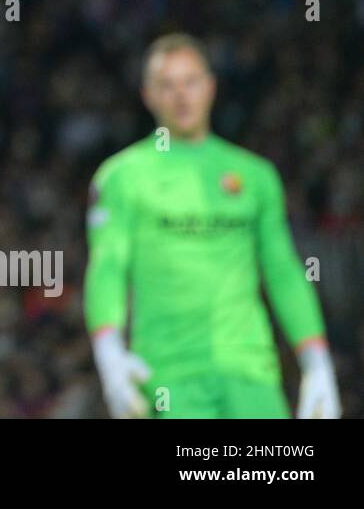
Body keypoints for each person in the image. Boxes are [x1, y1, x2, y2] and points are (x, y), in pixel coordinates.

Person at [85, 33, 341, 419]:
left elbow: (283, 270)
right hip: (167, 376)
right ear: (147, 95)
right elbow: (108, 265)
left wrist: (317, 363)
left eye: (190, 81)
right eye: (167, 85)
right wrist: (109, 356)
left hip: (251, 372)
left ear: (210, 87)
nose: (181, 95)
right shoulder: (121, 178)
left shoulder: (255, 176)